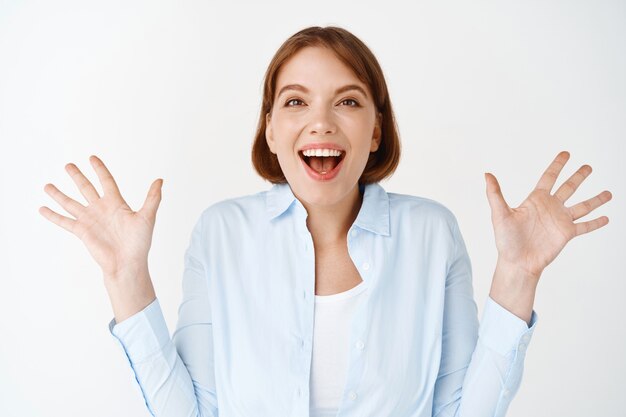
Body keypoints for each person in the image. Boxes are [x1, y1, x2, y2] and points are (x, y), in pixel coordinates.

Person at [39, 26, 612, 417]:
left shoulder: (431, 234)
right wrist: (124, 277)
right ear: (268, 129)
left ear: (377, 130)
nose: (321, 122)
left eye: (348, 100)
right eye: (294, 102)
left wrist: (517, 274)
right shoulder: (222, 234)